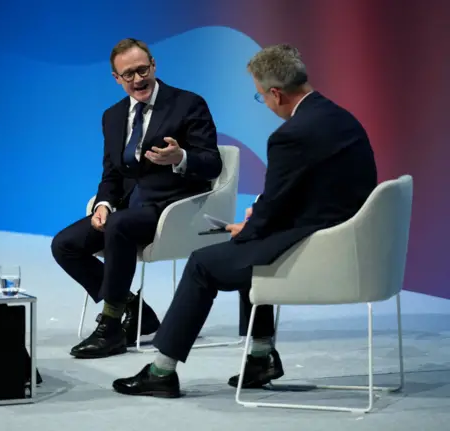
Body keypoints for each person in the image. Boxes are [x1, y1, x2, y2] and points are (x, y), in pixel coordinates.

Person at [112, 44, 378, 397]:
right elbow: (318, 189)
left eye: (260, 98)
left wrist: (250, 225)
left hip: (323, 247)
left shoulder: (290, 135)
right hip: (351, 237)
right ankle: (260, 356)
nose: (265, 105)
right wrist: (259, 221)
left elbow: (276, 206)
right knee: (249, 245)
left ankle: (161, 372)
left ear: (276, 93)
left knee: (205, 263)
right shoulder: (339, 117)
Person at [51, 38, 222, 359]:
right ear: (116, 79)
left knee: (120, 225)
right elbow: (112, 174)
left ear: (154, 65)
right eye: (127, 74)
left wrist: (180, 157)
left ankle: (111, 327)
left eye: (142, 70)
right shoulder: (113, 116)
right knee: (65, 244)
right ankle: (135, 309)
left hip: (172, 208)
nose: (137, 79)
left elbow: (213, 163)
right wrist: (103, 203)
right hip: (126, 209)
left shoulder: (187, 104)